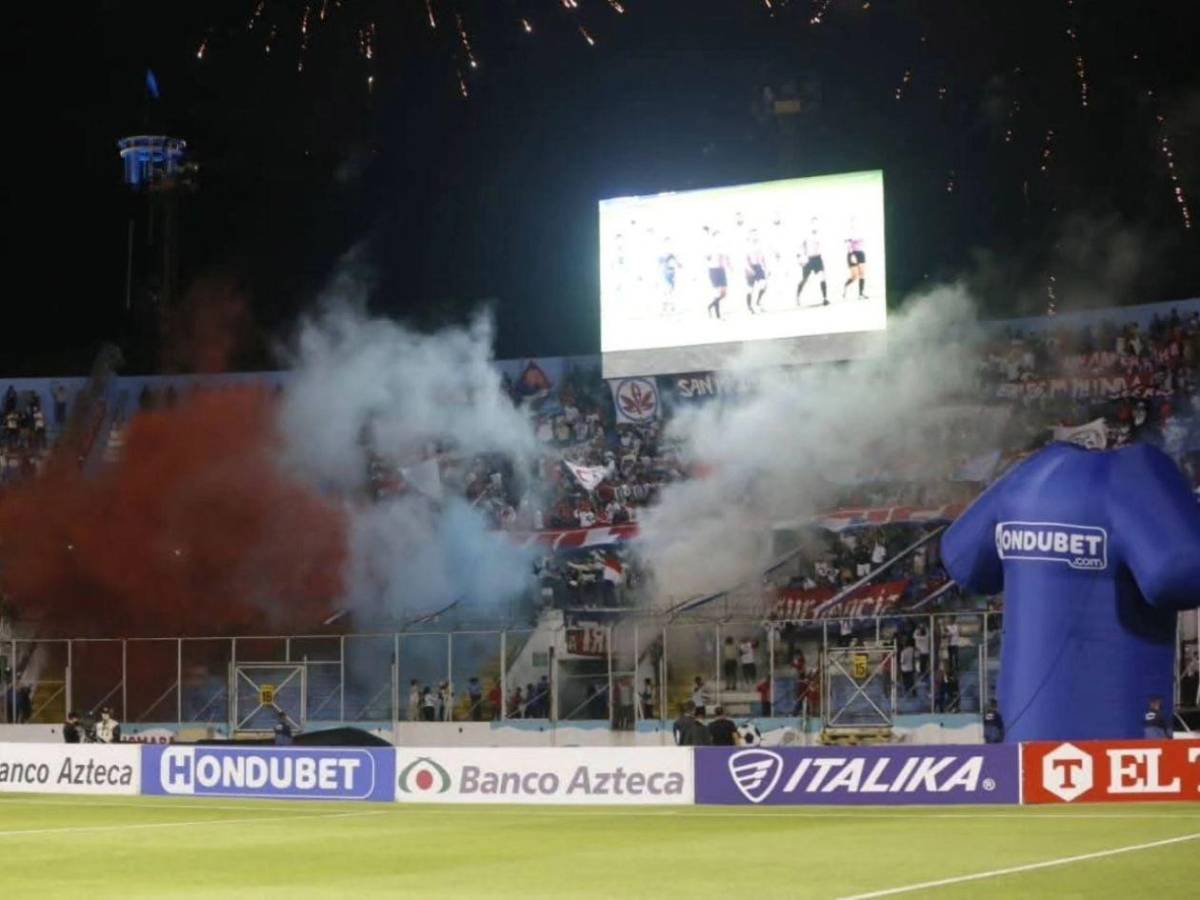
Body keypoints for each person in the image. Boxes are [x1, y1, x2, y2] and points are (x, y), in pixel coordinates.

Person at [796, 218, 828, 306]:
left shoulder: (820, 235)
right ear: (810, 224)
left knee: (822, 277)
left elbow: (822, 247)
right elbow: (799, 247)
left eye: (816, 223)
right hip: (808, 260)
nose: (815, 225)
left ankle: (825, 298)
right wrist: (800, 259)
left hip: (818, 258)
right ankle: (798, 296)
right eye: (813, 223)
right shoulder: (806, 235)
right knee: (804, 279)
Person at [843, 230, 868, 300]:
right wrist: (852, 255)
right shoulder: (849, 231)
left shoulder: (861, 230)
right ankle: (845, 286)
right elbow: (847, 243)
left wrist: (855, 239)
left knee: (862, 274)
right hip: (852, 254)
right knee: (854, 276)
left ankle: (861, 294)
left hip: (861, 253)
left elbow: (862, 239)